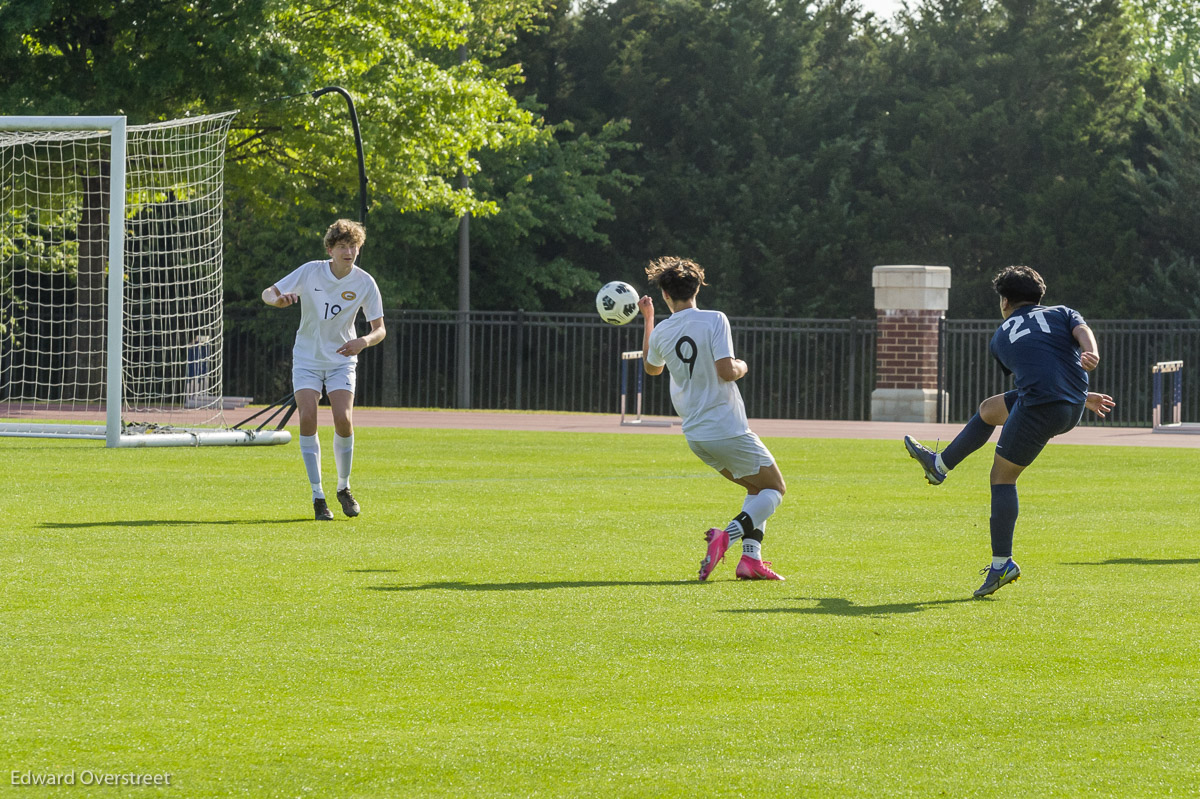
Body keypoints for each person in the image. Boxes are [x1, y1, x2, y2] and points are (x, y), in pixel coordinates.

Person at [903, 265, 1115, 597]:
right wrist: (1093, 357)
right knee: (989, 409)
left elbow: (1033, 368)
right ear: (1040, 294)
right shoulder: (1062, 312)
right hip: (1071, 403)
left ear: (1005, 301)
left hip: (1042, 407)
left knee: (1002, 479)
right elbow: (1080, 335)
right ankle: (940, 465)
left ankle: (1003, 565)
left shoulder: (1002, 335)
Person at [637, 256, 786, 581]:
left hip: (696, 435)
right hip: (727, 427)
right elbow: (726, 370)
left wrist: (648, 320)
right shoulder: (714, 319)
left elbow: (652, 368)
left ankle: (751, 561)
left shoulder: (662, 330)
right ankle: (727, 538)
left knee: (755, 488)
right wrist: (743, 365)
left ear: (665, 294)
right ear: (698, 288)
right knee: (775, 489)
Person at [262, 219, 386, 521]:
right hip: (307, 358)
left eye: (353, 245)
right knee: (307, 417)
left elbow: (380, 329)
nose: (349, 251)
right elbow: (268, 293)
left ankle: (343, 488)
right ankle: (318, 496)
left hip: (342, 359)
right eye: (342, 246)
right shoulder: (310, 271)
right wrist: (278, 301)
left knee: (343, 419)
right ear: (330, 249)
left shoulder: (364, 282)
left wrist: (363, 341)